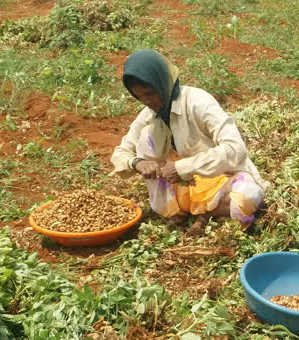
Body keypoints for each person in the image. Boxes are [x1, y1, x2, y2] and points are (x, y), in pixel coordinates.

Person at [110, 50, 266, 233]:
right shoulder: (149, 115)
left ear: (162, 83)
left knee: (249, 198)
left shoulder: (198, 102)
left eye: (150, 93)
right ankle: (189, 210)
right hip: (183, 187)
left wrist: (182, 168)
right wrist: (138, 162)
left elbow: (235, 149)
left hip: (221, 180)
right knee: (146, 138)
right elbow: (120, 153)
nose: (146, 101)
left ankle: (204, 213)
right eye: (139, 96)